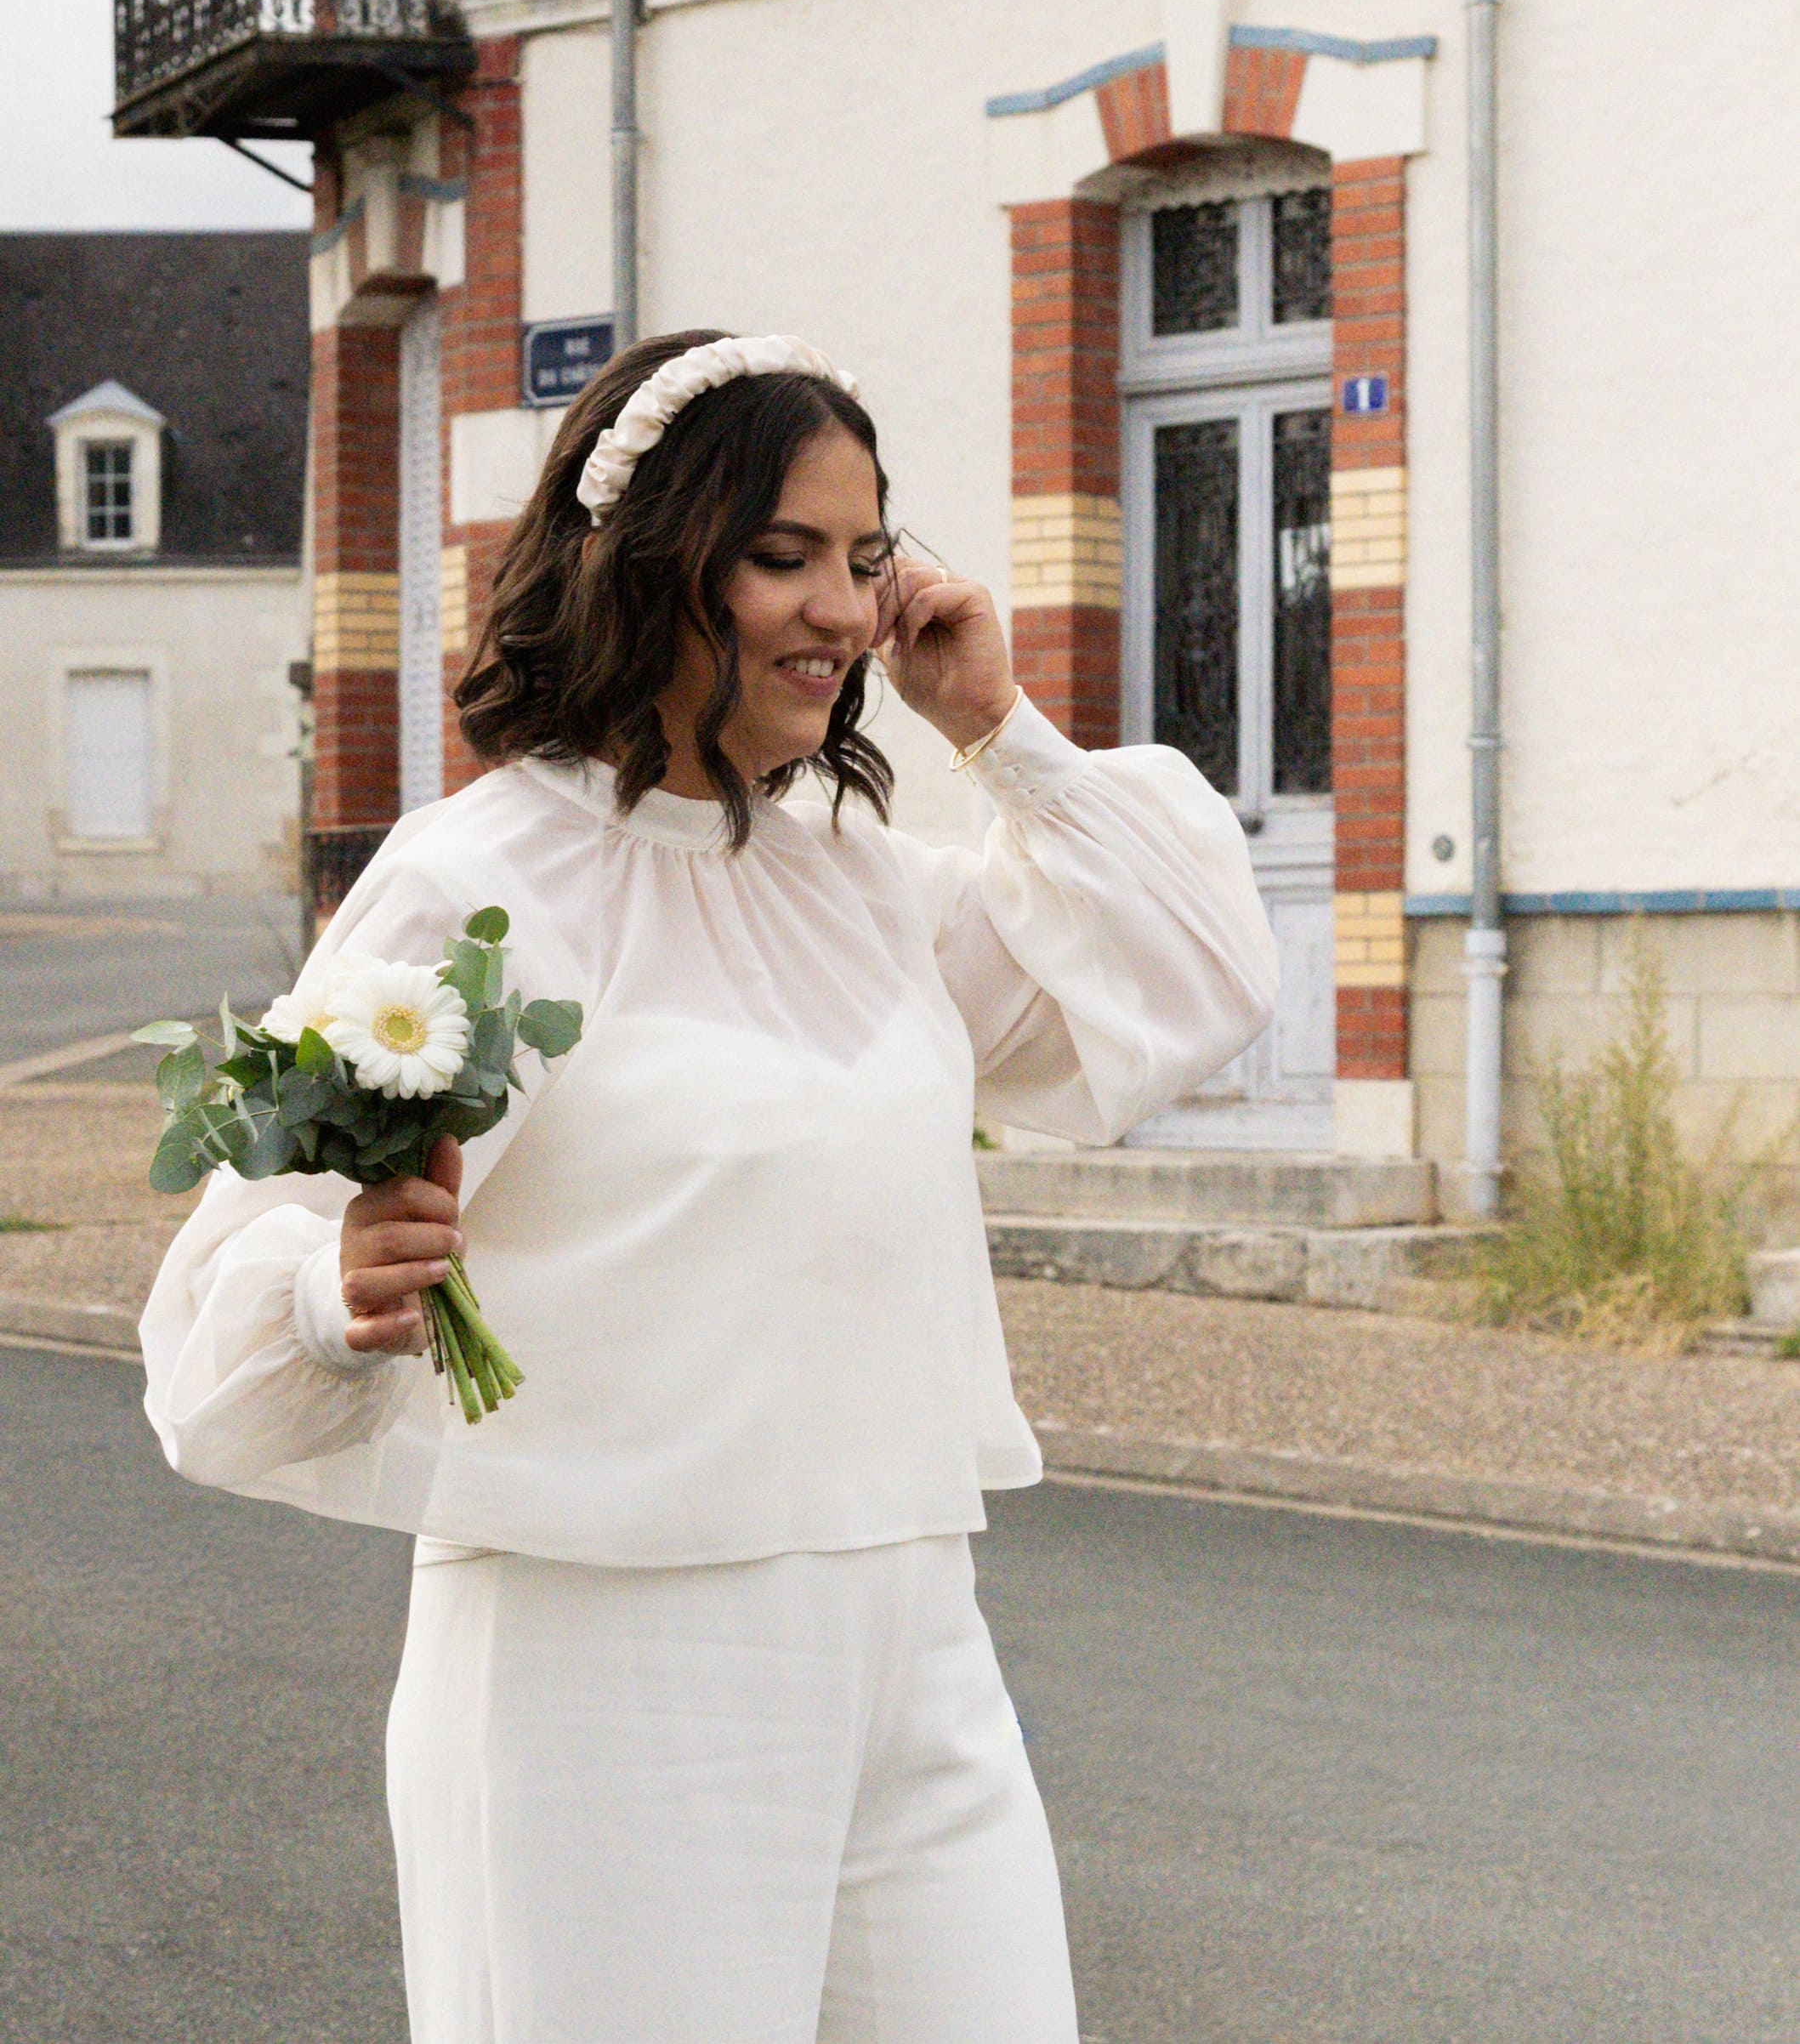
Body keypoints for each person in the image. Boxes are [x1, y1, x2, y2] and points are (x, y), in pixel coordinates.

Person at [141, 328, 1278, 2044]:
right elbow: (227, 1318)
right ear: (654, 562)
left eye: (866, 556)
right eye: (783, 556)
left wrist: (996, 725)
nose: (841, 606)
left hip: (913, 1632)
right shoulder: (479, 877)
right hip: (609, 1662)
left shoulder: (864, 880)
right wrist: (332, 1292)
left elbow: (1196, 985)